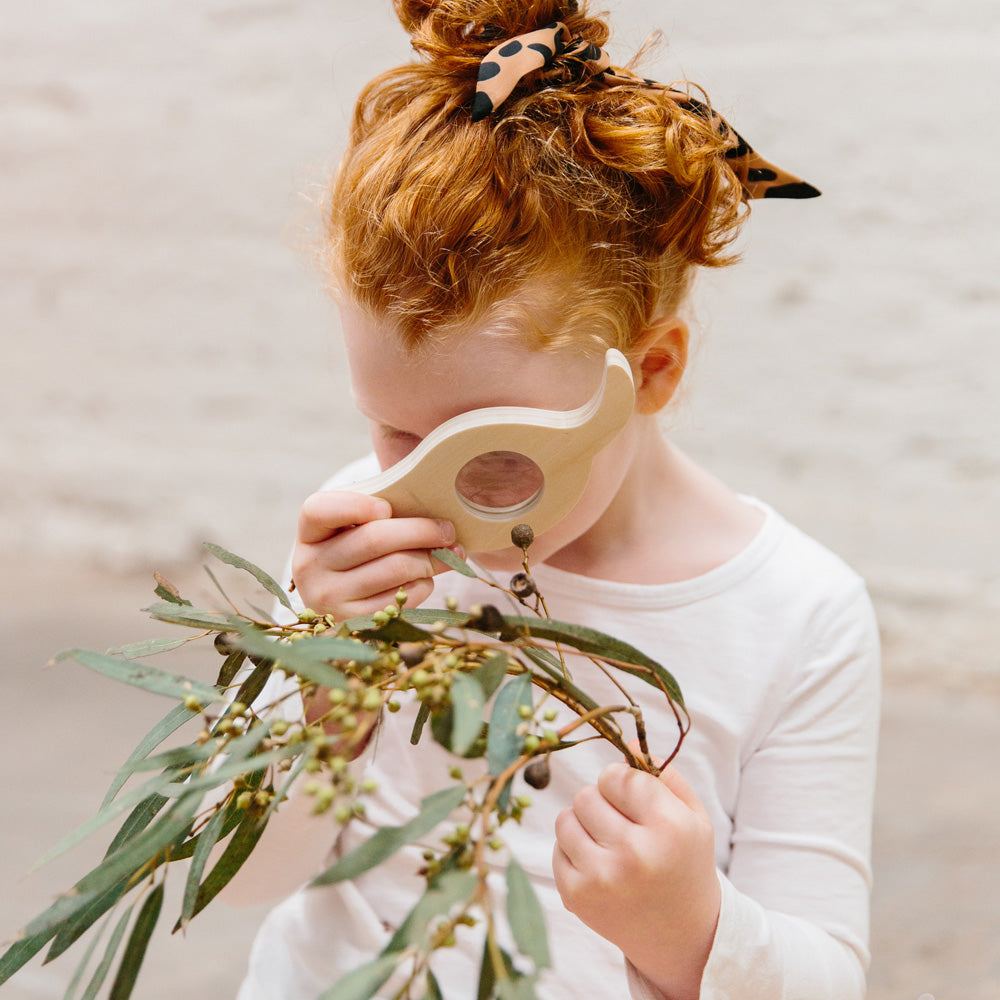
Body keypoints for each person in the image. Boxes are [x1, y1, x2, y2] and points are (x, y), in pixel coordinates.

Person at [231, 2, 880, 998]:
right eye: (394, 432)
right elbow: (247, 871)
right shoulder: (359, 548)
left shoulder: (797, 617)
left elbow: (824, 974)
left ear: (651, 372)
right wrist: (314, 684)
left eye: (491, 455)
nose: (423, 497)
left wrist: (687, 932)